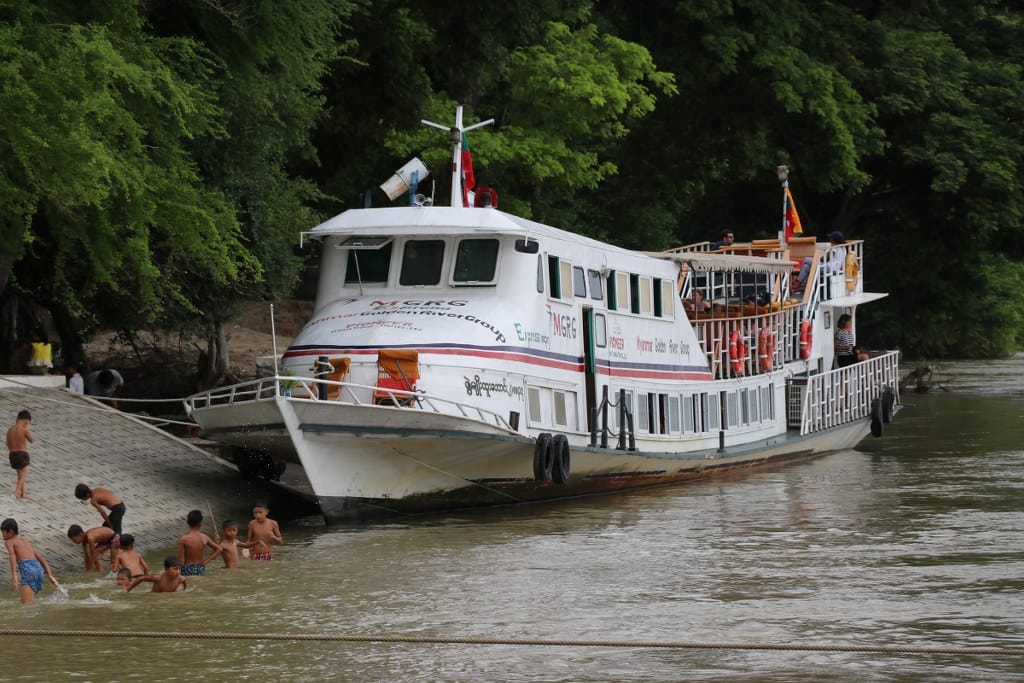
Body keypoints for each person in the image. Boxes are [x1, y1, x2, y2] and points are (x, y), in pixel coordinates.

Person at [2, 518, 60, 604]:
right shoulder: (25, 541)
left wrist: (14, 576)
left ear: (10, 532)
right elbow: (41, 558)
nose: (2, 535)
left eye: (3, 532)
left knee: (26, 606)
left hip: (28, 571)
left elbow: (12, 556)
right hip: (39, 570)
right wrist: (50, 576)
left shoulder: (9, 542)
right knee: (30, 601)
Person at [176, 509, 222, 576]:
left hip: (187, 568)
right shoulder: (205, 537)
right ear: (200, 524)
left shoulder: (183, 539)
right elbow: (219, 549)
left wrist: (178, 573)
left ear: (188, 523)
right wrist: (205, 562)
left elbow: (179, 560)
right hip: (200, 568)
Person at [6, 409, 33, 500]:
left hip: (12, 454)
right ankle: (16, 493)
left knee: (20, 475)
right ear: (26, 421)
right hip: (22, 454)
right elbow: (31, 440)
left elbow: (7, 443)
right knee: (23, 475)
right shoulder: (24, 429)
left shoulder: (10, 430)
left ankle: (23, 493)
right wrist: (27, 432)